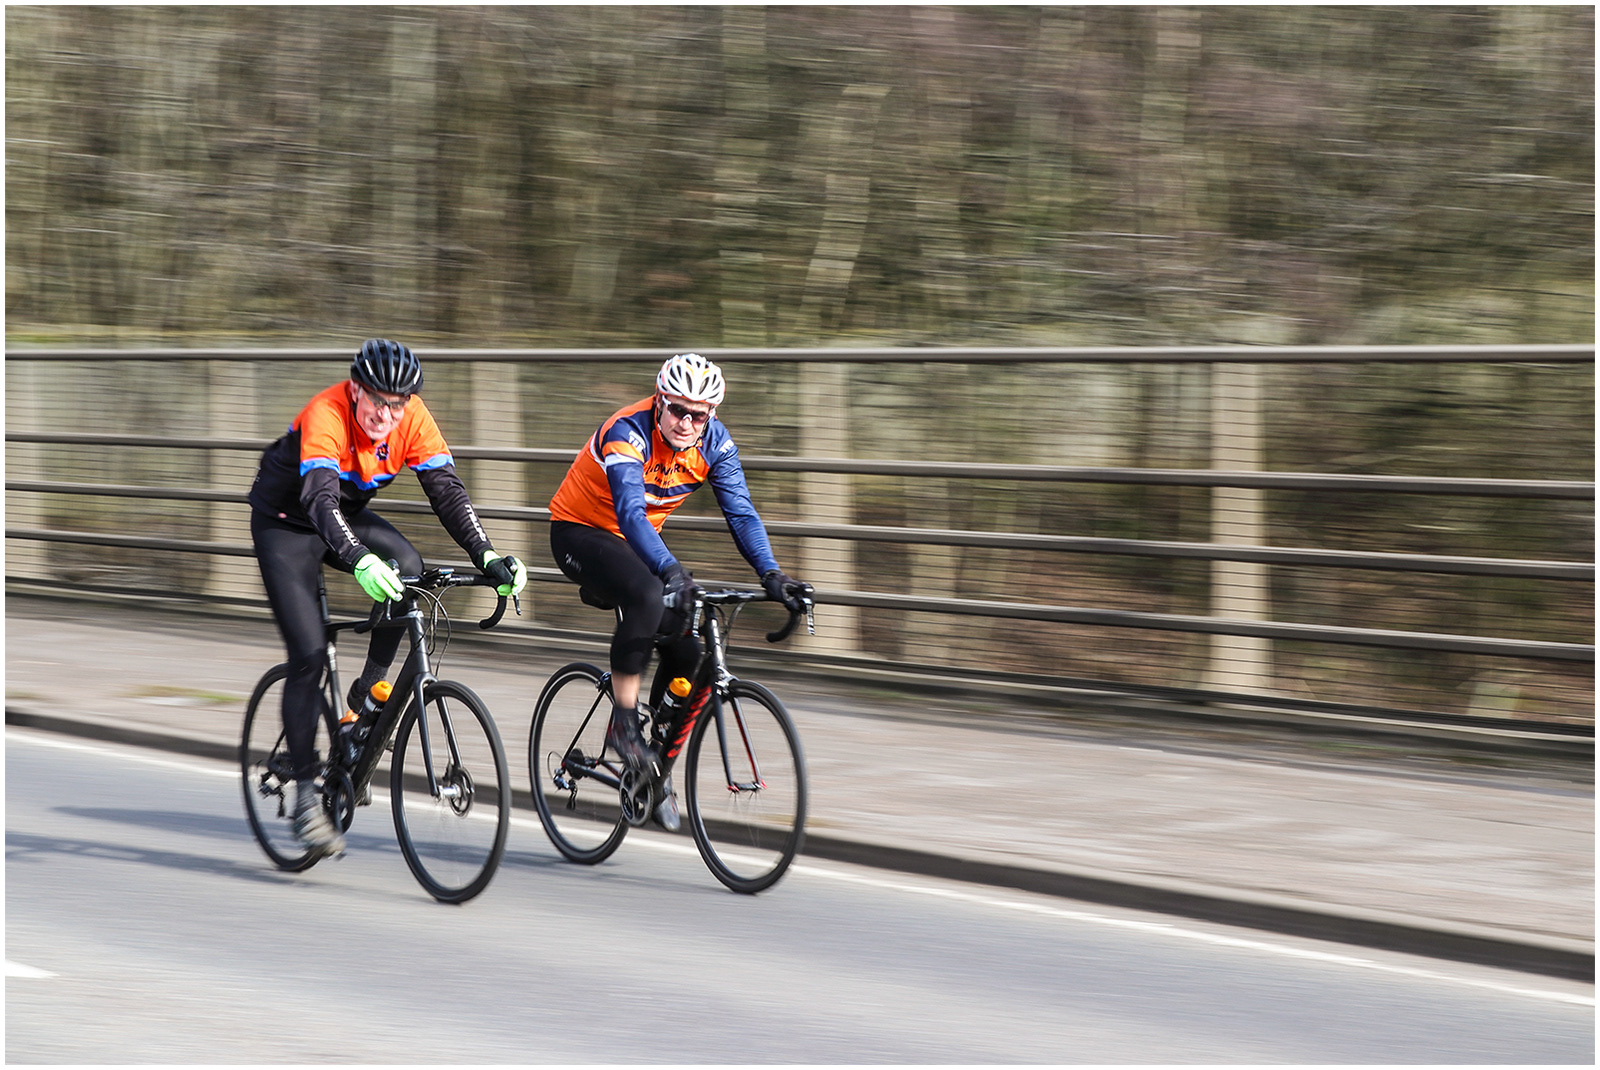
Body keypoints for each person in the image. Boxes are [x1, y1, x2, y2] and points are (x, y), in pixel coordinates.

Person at [248, 338, 527, 859]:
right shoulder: (327, 412)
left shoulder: (412, 417)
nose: (386, 414)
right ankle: (306, 798)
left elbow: (446, 490)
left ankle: (363, 701)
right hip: (286, 524)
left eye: (397, 404)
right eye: (377, 400)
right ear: (356, 390)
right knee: (309, 656)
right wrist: (358, 559)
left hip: (344, 516)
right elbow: (319, 499)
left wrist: (487, 555)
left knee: (410, 570)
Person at [548, 352, 808, 831]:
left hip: (635, 542)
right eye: (677, 410)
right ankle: (624, 724)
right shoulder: (627, 432)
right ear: (659, 400)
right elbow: (630, 513)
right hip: (580, 532)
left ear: (712, 415)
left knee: (687, 646)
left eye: (699, 415)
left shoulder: (715, 443)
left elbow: (742, 514)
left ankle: (655, 767)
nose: (687, 423)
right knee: (648, 594)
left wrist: (772, 575)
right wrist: (670, 570)